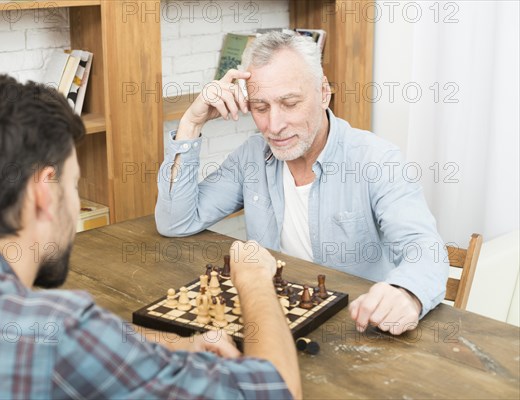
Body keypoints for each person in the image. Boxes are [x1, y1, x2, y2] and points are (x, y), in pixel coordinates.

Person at [0, 76, 300, 399]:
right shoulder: (58, 335)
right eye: (73, 185)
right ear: (44, 193)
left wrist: (170, 342)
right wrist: (253, 282)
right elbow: (273, 390)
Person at [155, 32, 449, 336]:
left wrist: (407, 293)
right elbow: (175, 221)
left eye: (290, 103)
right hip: (276, 325)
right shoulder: (252, 157)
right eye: (260, 107)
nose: (274, 126)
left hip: (354, 331)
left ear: (323, 93)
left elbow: (426, 250)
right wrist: (191, 123)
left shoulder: (377, 160)